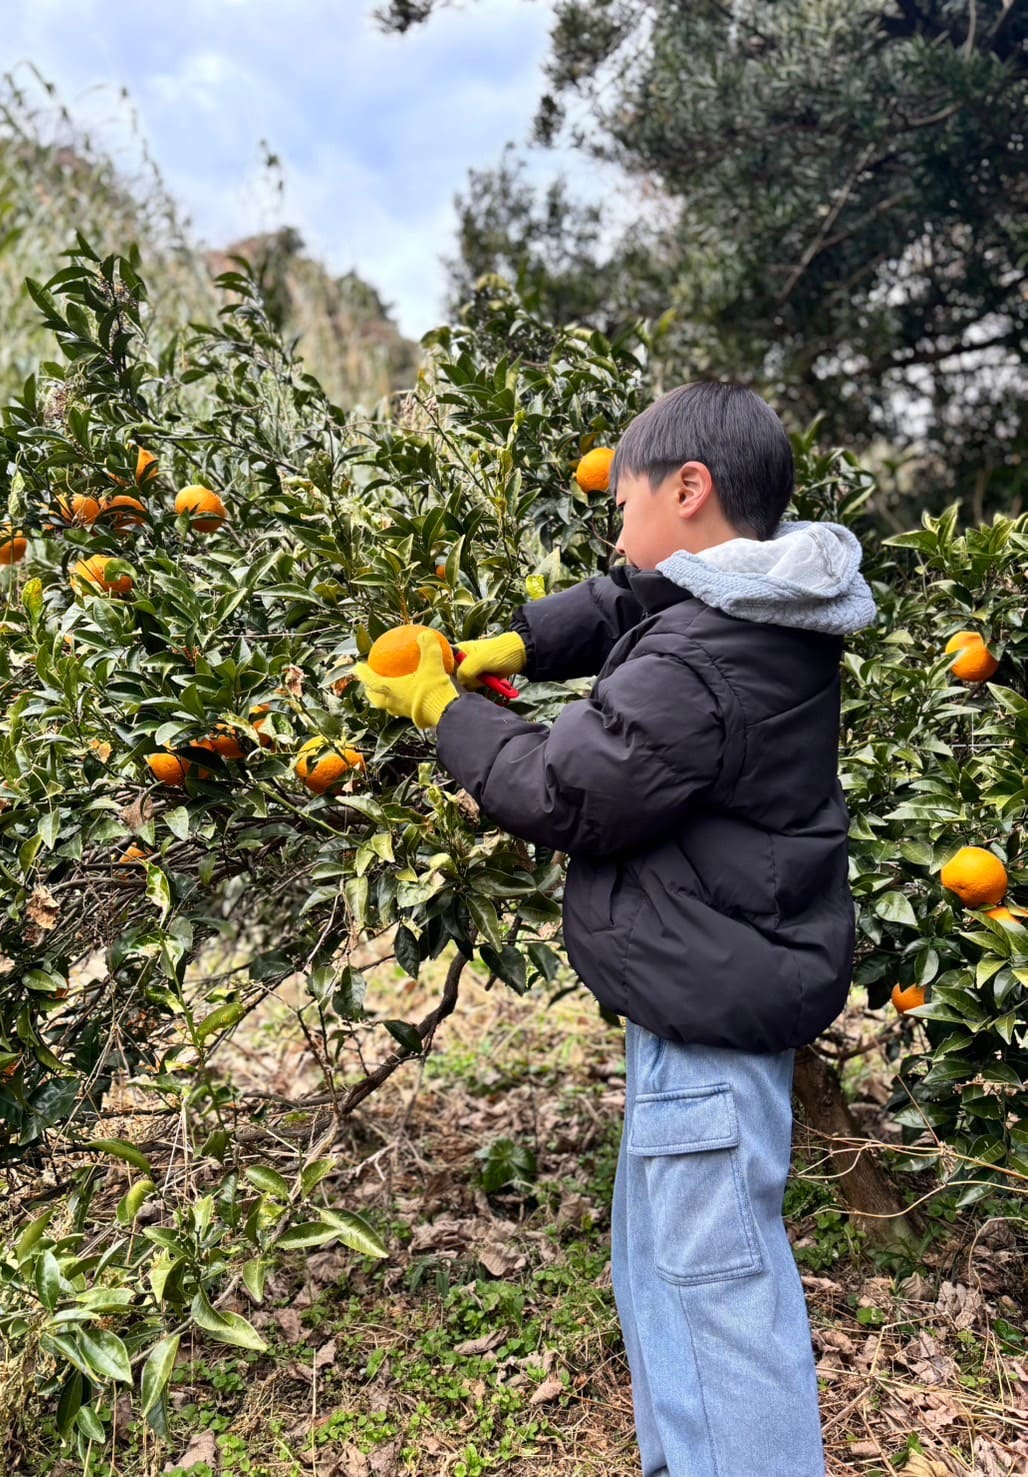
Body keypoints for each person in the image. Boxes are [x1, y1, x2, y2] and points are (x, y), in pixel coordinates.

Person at [354, 380, 876, 1477]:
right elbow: (634, 601)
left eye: (621, 500)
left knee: (715, 1292)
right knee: (666, 1272)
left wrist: (440, 709)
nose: (613, 527)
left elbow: (563, 793)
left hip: (707, 1011)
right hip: (701, 991)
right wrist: (517, 645)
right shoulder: (753, 603)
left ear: (688, 490)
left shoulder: (702, 659)